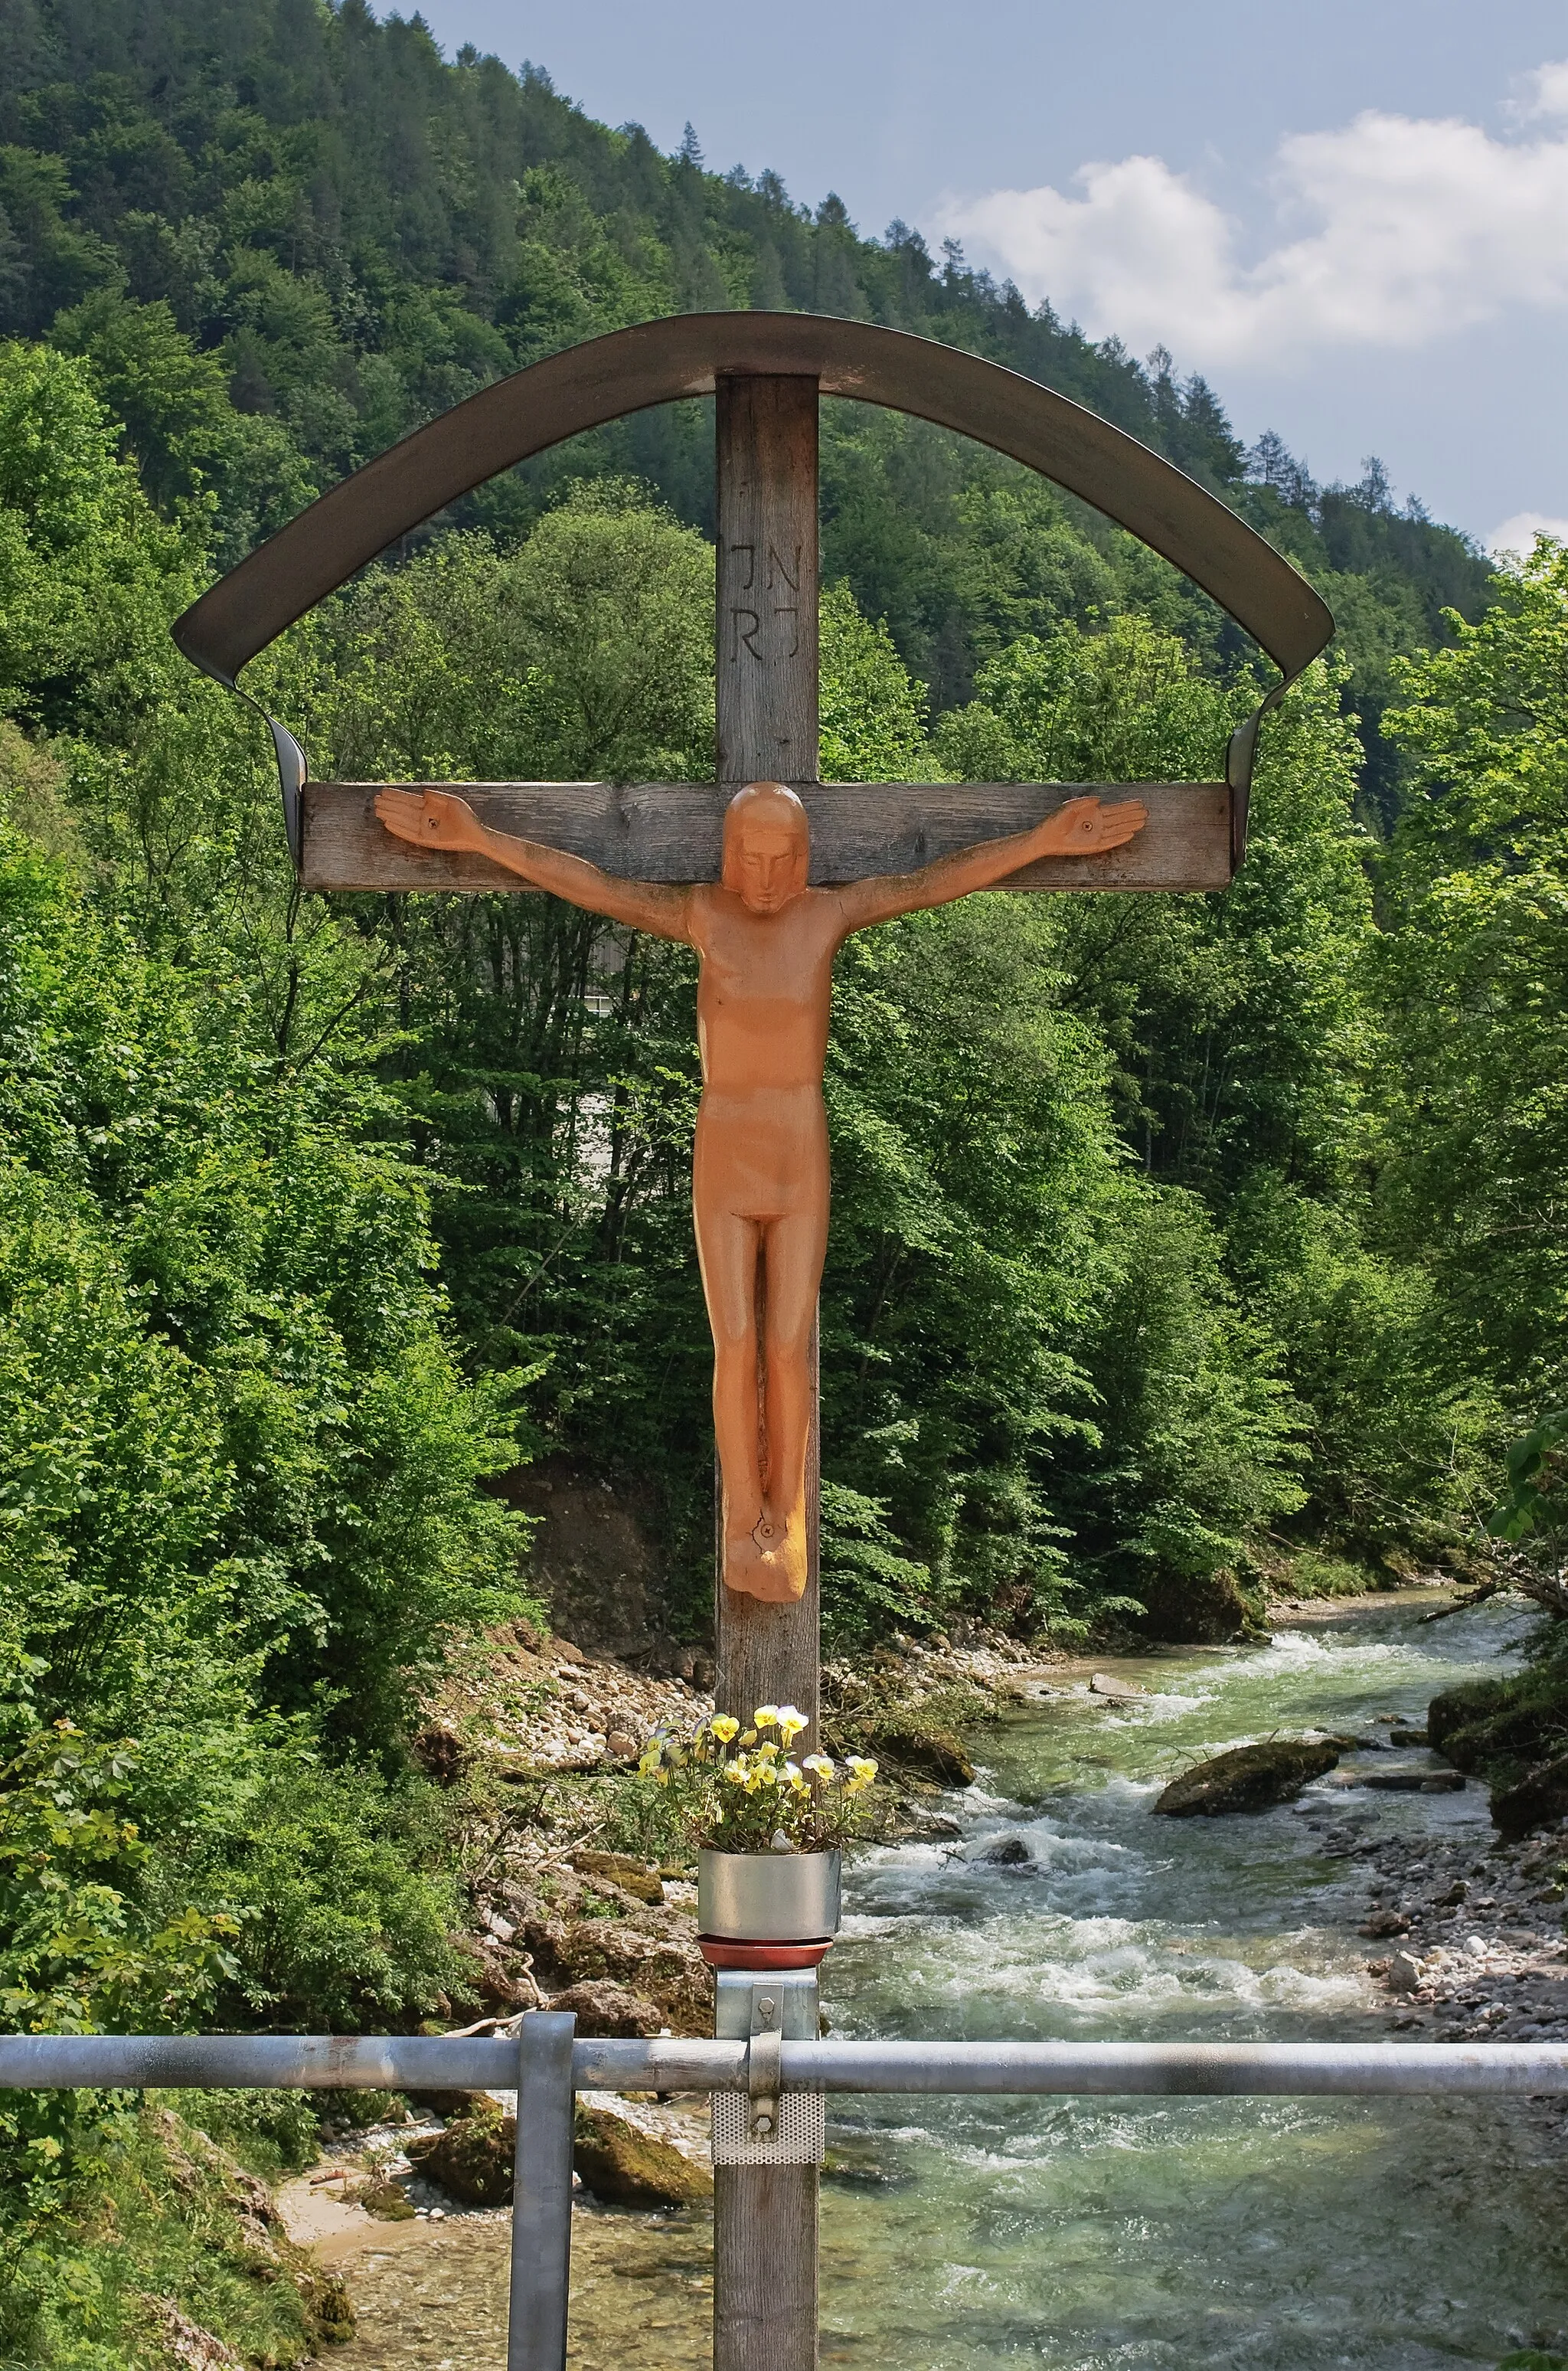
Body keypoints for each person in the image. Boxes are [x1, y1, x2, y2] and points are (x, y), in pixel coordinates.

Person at [375, 780, 1147, 1604]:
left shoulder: (827, 915)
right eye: (751, 858)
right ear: (726, 857)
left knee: (786, 1346)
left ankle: (786, 1511)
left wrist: (1042, 840)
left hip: (797, 1148)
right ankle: (744, 1508)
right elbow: (592, 883)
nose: (768, 877)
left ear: (805, 860)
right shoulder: (703, 915)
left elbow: (929, 882)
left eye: (784, 859)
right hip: (724, 1144)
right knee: (734, 1342)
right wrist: (478, 837)